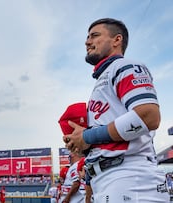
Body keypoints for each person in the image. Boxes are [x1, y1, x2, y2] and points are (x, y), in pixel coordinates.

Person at [63, 18, 169, 202]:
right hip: (111, 178)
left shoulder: (124, 66)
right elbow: (109, 136)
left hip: (130, 177)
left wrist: (87, 136)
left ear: (116, 40)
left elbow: (148, 116)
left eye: (95, 36)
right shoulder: (104, 78)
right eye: (87, 37)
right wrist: (83, 144)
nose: (87, 42)